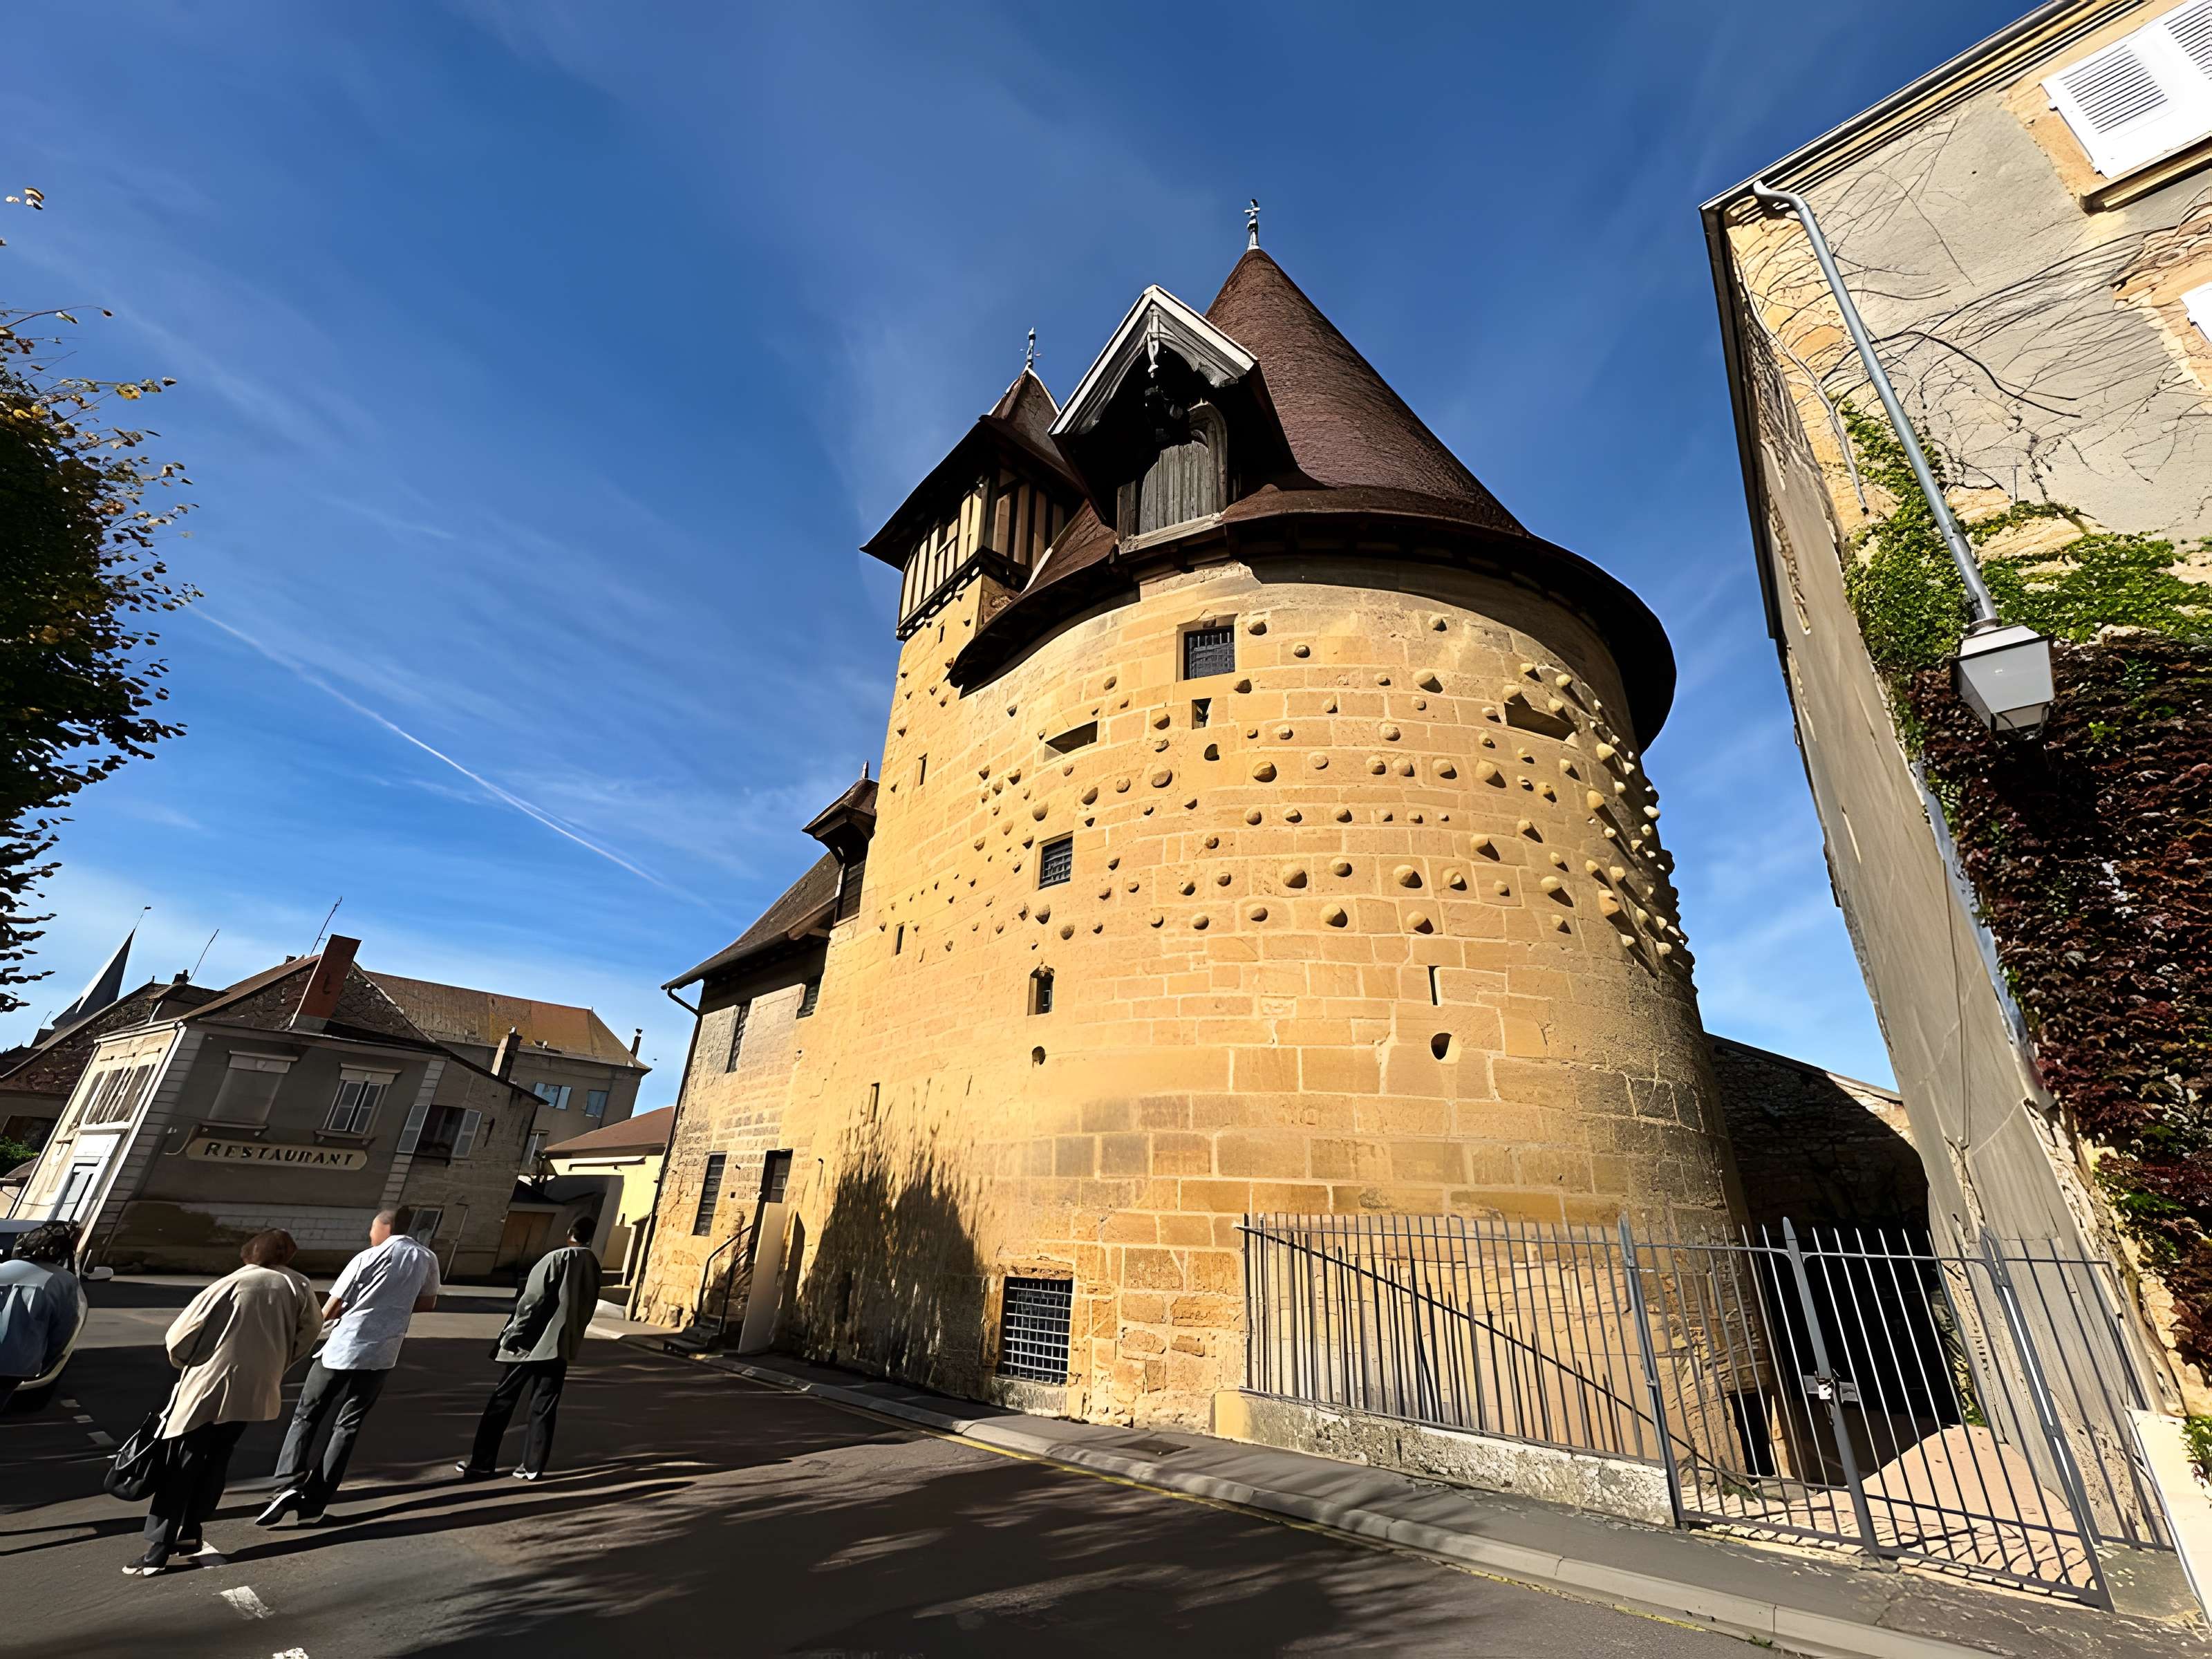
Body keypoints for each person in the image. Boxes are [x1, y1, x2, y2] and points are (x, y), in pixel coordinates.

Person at [126, 1229, 320, 1576]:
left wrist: (187, 1362)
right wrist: (276, 1365)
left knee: (182, 1463)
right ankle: (191, 1530)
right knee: (216, 1461)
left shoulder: (231, 1283)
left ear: (249, 1253)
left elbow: (179, 1337)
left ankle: (159, 1548)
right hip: (255, 1389)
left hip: (209, 1385)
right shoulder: (299, 1285)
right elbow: (309, 1332)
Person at [255, 1209, 440, 1528]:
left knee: (307, 1414)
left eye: (373, 1228)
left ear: (386, 1228)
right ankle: (315, 1504)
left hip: (344, 1348)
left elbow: (331, 1308)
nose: (370, 1235)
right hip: (383, 1353)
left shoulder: (368, 1257)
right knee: (347, 1426)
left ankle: (287, 1484)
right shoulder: (426, 1258)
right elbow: (427, 1302)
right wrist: (391, 1305)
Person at [457, 1216, 602, 1481]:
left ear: (570, 1233)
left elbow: (531, 1301)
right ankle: (533, 1465)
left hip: (530, 1345)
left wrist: (511, 1336)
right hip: (559, 1345)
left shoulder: (556, 1258)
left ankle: (482, 1462)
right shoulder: (591, 1264)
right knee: (544, 1404)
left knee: (501, 1401)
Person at [0, 1221, 84, 1407]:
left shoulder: (3, 1268)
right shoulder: (64, 1281)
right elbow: (62, 1332)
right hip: (14, 1364)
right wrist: (47, 1362)